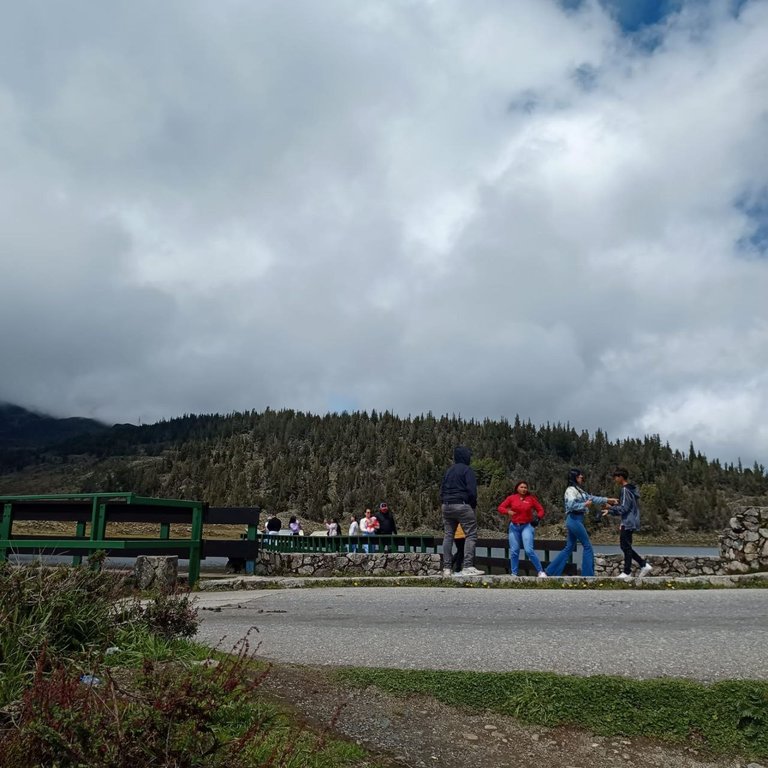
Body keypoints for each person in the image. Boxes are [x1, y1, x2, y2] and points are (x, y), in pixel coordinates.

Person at [546, 468, 616, 577]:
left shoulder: (579, 490)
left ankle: (550, 572)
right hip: (574, 519)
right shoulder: (570, 490)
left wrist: (607, 500)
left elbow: (591, 498)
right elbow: (570, 505)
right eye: (579, 476)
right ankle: (588, 575)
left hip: (577, 519)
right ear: (575, 477)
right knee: (587, 545)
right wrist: (584, 505)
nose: (582, 477)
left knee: (569, 547)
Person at [603, 467, 653, 580]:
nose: (615, 479)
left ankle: (628, 571)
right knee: (626, 546)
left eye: (616, 477)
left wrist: (611, 509)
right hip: (631, 521)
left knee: (625, 546)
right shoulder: (631, 490)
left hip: (628, 522)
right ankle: (642, 565)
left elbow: (624, 508)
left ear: (621, 477)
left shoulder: (625, 490)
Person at [440, 445, 483, 577]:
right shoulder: (467, 470)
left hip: (446, 505)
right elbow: (472, 491)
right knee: (471, 535)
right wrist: (472, 504)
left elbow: (441, 490)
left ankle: (447, 568)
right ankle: (468, 566)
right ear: (465, 456)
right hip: (462, 505)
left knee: (448, 535)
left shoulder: (449, 470)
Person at [497, 481, 547, 577]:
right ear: (517, 488)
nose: (524, 489)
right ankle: (514, 574)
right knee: (514, 551)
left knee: (528, 550)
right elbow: (500, 507)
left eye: (525, 487)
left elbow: (541, 509)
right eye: (522, 487)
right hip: (514, 526)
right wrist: (508, 511)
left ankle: (540, 571)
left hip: (527, 526)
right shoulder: (511, 498)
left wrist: (538, 518)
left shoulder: (531, 499)